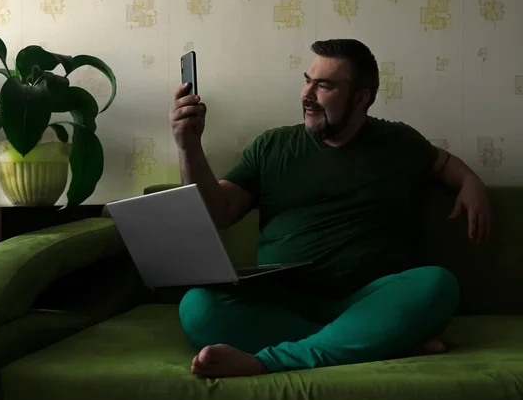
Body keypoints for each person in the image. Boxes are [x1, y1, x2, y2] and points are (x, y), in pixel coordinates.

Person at [168, 39, 491, 378]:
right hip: (284, 305)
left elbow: (444, 165)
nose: (307, 95)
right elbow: (216, 212)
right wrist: (188, 144)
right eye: (308, 80)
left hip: (369, 302)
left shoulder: (399, 143)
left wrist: (471, 181)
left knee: (436, 285)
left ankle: (270, 360)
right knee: (198, 308)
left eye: (324, 86)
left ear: (361, 98)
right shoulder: (272, 146)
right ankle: (374, 342)